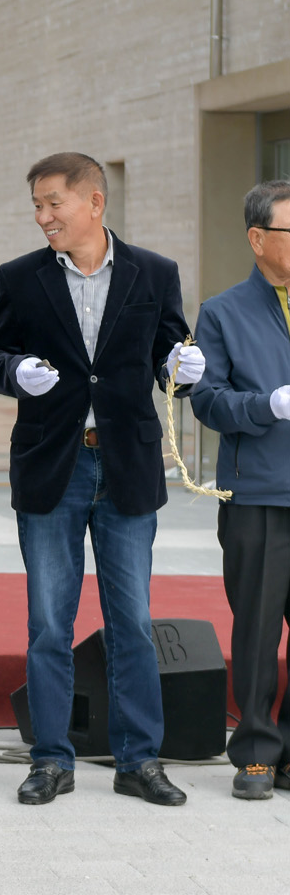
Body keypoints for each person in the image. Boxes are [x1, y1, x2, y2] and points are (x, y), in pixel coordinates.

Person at [0, 151, 200, 807]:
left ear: (94, 202)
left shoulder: (153, 272)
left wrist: (182, 369)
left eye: (54, 203)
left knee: (132, 620)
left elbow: (170, 354)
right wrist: (15, 372)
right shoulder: (19, 277)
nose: (43, 217)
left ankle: (139, 761)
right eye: (37, 206)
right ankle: (50, 759)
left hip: (127, 463)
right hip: (54, 463)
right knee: (50, 621)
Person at [191, 179, 290, 800]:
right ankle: (255, 753)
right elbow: (206, 400)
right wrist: (266, 406)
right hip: (258, 495)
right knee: (257, 628)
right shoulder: (223, 312)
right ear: (258, 239)